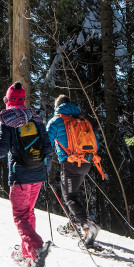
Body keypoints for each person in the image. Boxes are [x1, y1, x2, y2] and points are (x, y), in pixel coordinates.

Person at [0, 82, 54, 267]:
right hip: (37, 173)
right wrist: (46, 170)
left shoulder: (7, 119)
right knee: (29, 213)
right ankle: (27, 252)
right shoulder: (35, 118)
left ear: (8, 100)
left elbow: (1, 150)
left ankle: (36, 249)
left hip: (20, 176)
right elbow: (47, 147)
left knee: (20, 216)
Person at [46, 94, 103, 250]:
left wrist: (44, 164)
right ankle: (73, 225)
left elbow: (45, 143)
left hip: (70, 163)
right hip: (87, 162)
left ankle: (87, 227)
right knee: (74, 194)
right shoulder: (83, 120)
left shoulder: (56, 121)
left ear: (57, 106)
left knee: (70, 197)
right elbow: (95, 143)